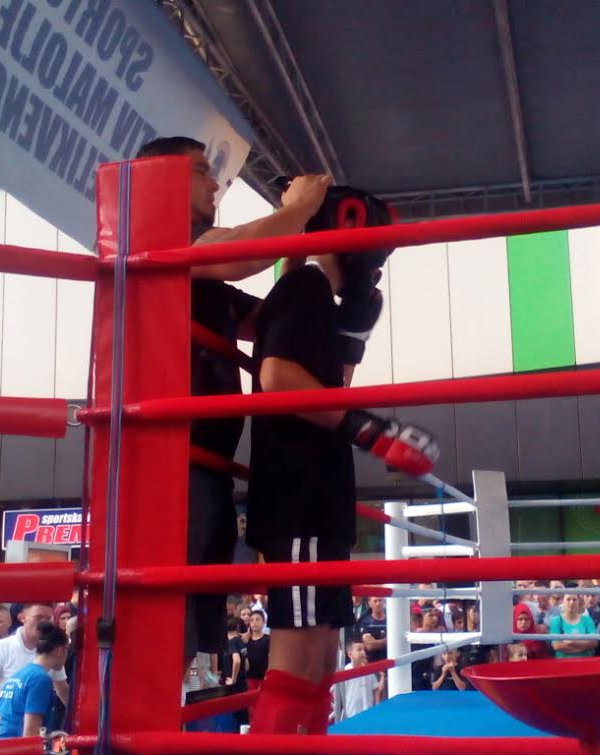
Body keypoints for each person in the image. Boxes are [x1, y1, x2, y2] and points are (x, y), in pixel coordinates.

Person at [135, 137, 333, 683]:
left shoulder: (206, 272)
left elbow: (275, 320)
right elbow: (238, 255)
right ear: (163, 179)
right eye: (201, 170)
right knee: (164, 623)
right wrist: (299, 210)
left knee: (188, 623)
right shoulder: (162, 242)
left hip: (206, 460)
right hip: (169, 460)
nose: (215, 182)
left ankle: (160, 720)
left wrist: (302, 251)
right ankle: (138, 724)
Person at [244, 187, 434, 735]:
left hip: (319, 500)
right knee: (298, 663)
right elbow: (276, 377)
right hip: (298, 498)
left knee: (322, 664)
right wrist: (370, 431)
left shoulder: (320, 300)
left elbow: (330, 386)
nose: (378, 264)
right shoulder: (304, 285)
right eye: (377, 247)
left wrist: (352, 336)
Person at [0, 605, 68, 705]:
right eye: (38, 617)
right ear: (22, 618)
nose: (43, 622)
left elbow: (62, 689)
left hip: (40, 712)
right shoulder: (1, 647)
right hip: (5, 714)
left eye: (48, 618)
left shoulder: (53, 649)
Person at [0, 624, 70, 738]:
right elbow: (30, 734)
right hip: (14, 743)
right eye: (67, 650)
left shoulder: (19, 675)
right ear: (60, 651)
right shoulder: (41, 679)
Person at [332, 640, 380, 723]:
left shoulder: (369, 670)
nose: (363, 652)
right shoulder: (345, 671)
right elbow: (336, 693)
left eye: (364, 650)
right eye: (359, 650)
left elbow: (376, 689)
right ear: (350, 654)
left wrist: (377, 707)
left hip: (369, 712)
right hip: (351, 713)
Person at [548, 595, 597, 659]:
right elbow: (556, 646)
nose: (571, 602)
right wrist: (585, 646)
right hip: (563, 662)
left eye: (574, 600)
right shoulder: (556, 620)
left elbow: (594, 642)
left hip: (585, 661)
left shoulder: (587, 619)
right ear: (562, 601)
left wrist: (571, 642)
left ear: (578, 602)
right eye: (568, 599)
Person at [356, 598, 388, 664]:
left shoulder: (390, 619)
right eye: (375, 601)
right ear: (369, 603)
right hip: (372, 663)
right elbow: (369, 646)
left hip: (389, 661)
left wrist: (376, 642)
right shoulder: (366, 622)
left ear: (384, 601)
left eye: (380, 600)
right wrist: (389, 640)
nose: (378, 603)